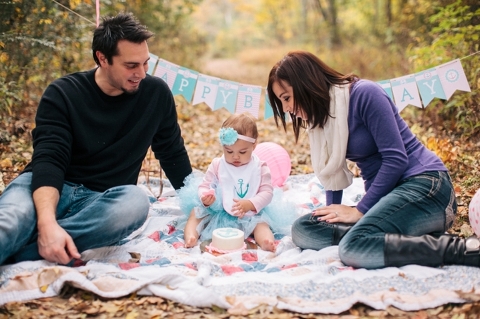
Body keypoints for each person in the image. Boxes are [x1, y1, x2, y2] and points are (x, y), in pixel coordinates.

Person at [0, 13, 192, 266]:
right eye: (131, 65)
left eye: (146, 63)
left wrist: (196, 204)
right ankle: (40, 238)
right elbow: (49, 160)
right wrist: (46, 223)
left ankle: (26, 250)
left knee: (135, 202)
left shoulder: (155, 94)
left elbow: (172, 153)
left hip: (103, 200)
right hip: (48, 188)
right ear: (102, 58)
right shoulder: (63, 93)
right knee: (11, 219)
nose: (142, 74)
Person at [266, 50, 479, 269]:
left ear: (305, 83)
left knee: (352, 248)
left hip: (426, 187)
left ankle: (465, 250)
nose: (286, 109)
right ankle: (388, 237)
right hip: (387, 198)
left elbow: (396, 159)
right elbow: (333, 171)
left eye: (286, 98)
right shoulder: (323, 117)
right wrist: (334, 215)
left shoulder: (364, 94)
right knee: (304, 229)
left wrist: (360, 210)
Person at [179, 112, 295, 252]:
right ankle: (191, 236)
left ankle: (266, 241)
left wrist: (250, 203)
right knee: (196, 213)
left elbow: (267, 192)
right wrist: (206, 198)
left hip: (249, 212)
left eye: (242, 152)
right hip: (219, 209)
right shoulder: (218, 164)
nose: (235, 156)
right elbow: (205, 185)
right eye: (229, 151)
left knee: (260, 223)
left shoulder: (260, 167)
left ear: (254, 145)